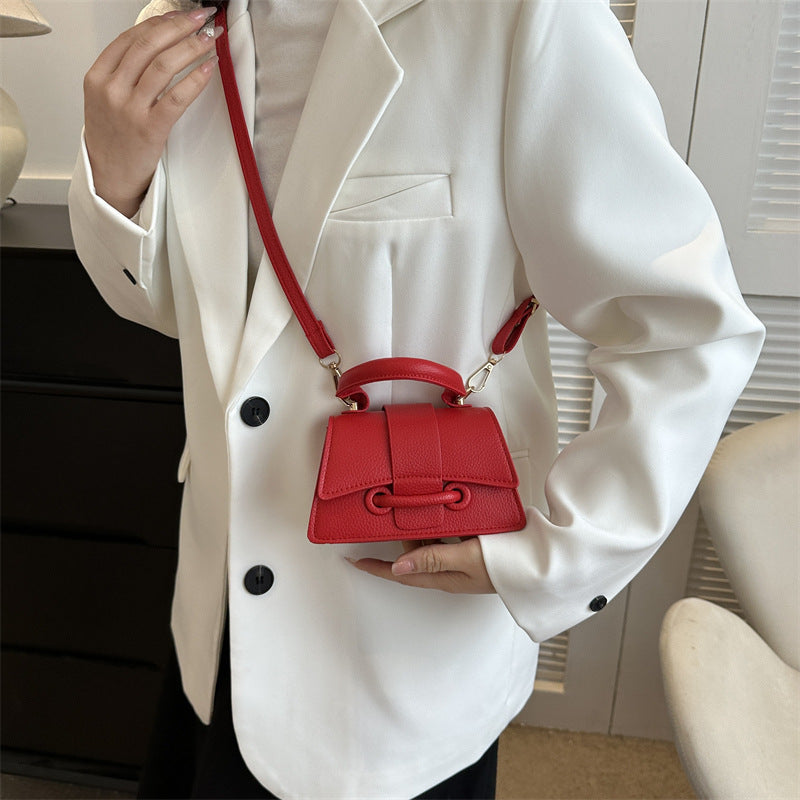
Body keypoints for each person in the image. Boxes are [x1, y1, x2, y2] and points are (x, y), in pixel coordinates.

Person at [68, 1, 765, 797]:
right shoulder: (180, 25)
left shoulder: (518, 18)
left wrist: (563, 555)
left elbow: (685, 327)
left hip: (394, 637)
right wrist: (118, 176)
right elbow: (189, 312)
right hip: (215, 615)